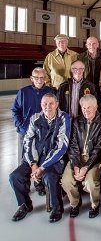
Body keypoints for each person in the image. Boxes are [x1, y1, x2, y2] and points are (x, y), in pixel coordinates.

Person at [9, 93, 71, 223]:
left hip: (53, 160)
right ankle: (25, 204)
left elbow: (61, 147)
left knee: (49, 176)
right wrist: (33, 164)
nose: (47, 107)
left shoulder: (64, 118)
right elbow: (28, 141)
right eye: (44, 104)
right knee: (15, 177)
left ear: (57, 104)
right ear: (41, 105)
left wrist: (42, 167)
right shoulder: (35, 118)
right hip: (34, 160)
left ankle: (57, 208)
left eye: (51, 104)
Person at [61, 95, 101, 218]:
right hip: (77, 158)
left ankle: (95, 205)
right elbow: (73, 144)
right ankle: (75, 203)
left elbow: (99, 149)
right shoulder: (77, 121)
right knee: (66, 181)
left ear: (96, 107)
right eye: (83, 108)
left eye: (89, 108)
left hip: (95, 160)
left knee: (90, 182)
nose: (86, 111)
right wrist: (76, 165)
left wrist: (86, 167)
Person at [11, 68, 54, 166]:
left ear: (45, 78)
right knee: (24, 162)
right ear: (31, 78)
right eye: (36, 77)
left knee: (40, 163)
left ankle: (38, 181)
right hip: (25, 132)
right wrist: (21, 127)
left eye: (42, 78)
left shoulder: (51, 92)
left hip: (44, 134)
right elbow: (15, 111)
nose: (39, 80)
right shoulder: (23, 92)